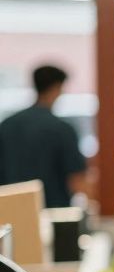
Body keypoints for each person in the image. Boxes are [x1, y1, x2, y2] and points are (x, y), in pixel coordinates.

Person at [0, 65, 87, 208]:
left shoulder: (6, 126)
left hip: (10, 212)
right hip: (54, 214)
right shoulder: (62, 129)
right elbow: (77, 180)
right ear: (57, 88)